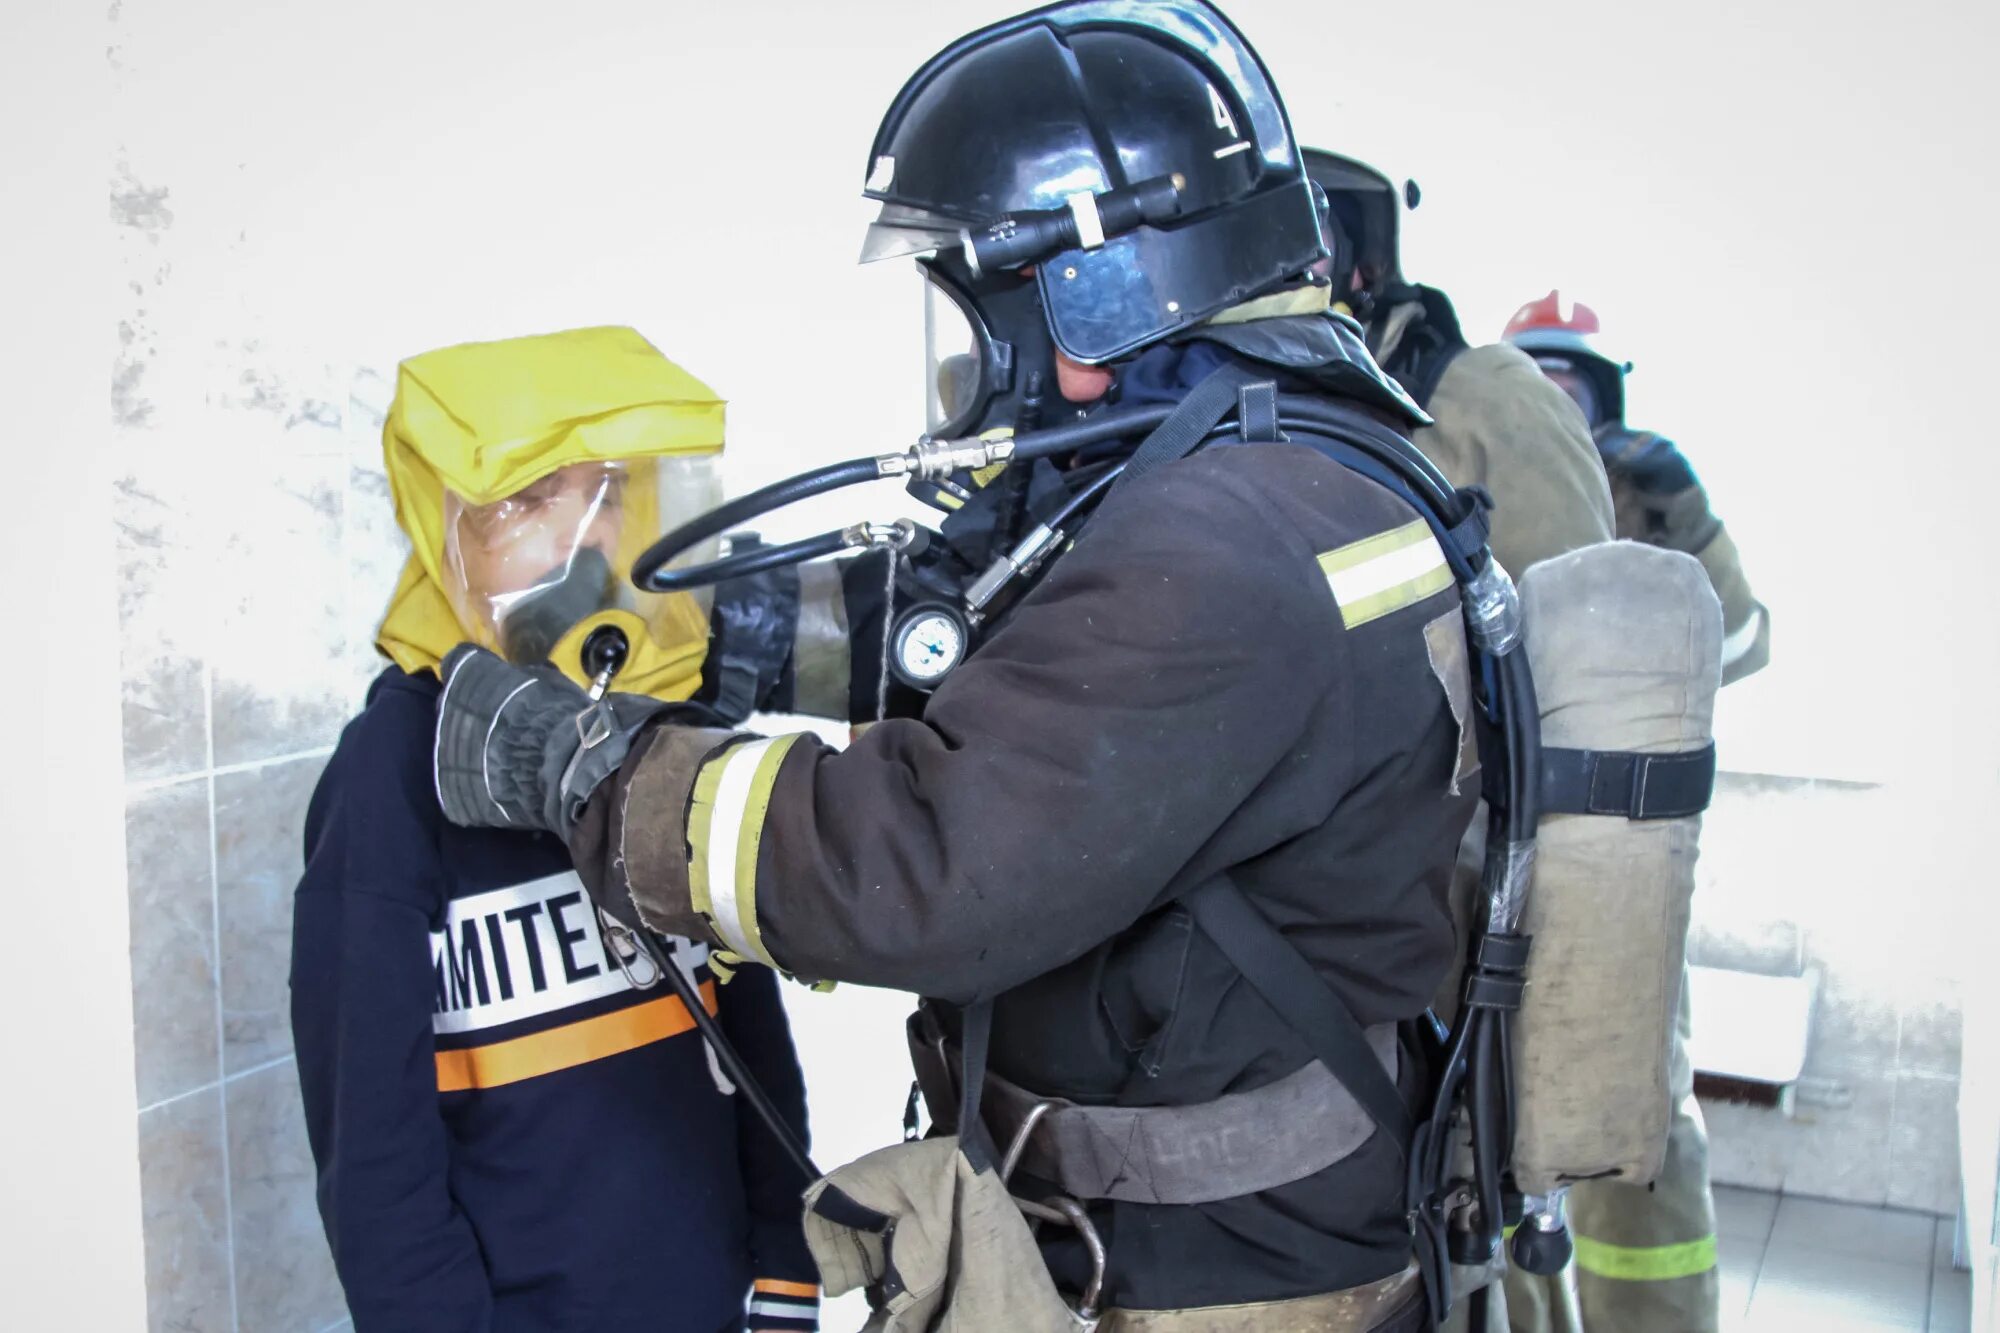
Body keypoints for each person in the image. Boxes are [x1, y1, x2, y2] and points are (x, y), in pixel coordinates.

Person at [429, 3, 1498, 1329]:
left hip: (1207, 1277)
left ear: (1090, 299)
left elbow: (933, 868)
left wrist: (596, 771)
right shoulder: (1308, 467)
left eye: (978, 316)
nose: (975, 374)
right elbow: (1043, 664)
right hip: (1260, 1223)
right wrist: (722, 630)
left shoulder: (1222, 543)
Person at [290, 325, 819, 1333]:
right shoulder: (388, 774)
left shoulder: (664, 739)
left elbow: (753, 1047)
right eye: (531, 501)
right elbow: (376, 1155)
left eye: (609, 498)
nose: (587, 546)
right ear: (453, 529)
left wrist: (784, 1282)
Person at [1502, 290, 1771, 1332]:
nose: (1555, 403)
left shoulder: (1652, 512)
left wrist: (1687, 524)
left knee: (1642, 1148)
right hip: (1487, 871)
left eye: (1572, 380)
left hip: (1619, 884)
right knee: (1486, 1138)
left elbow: (1739, 647)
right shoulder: (1477, 482)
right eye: (1535, 379)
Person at [1504, 291, 1769, 682]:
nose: (1554, 416)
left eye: (1570, 399)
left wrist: (1688, 517)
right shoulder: (1464, 488)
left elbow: (1736, 646)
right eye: (1538, 397)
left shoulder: (1637, 508)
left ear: (1601, 411)